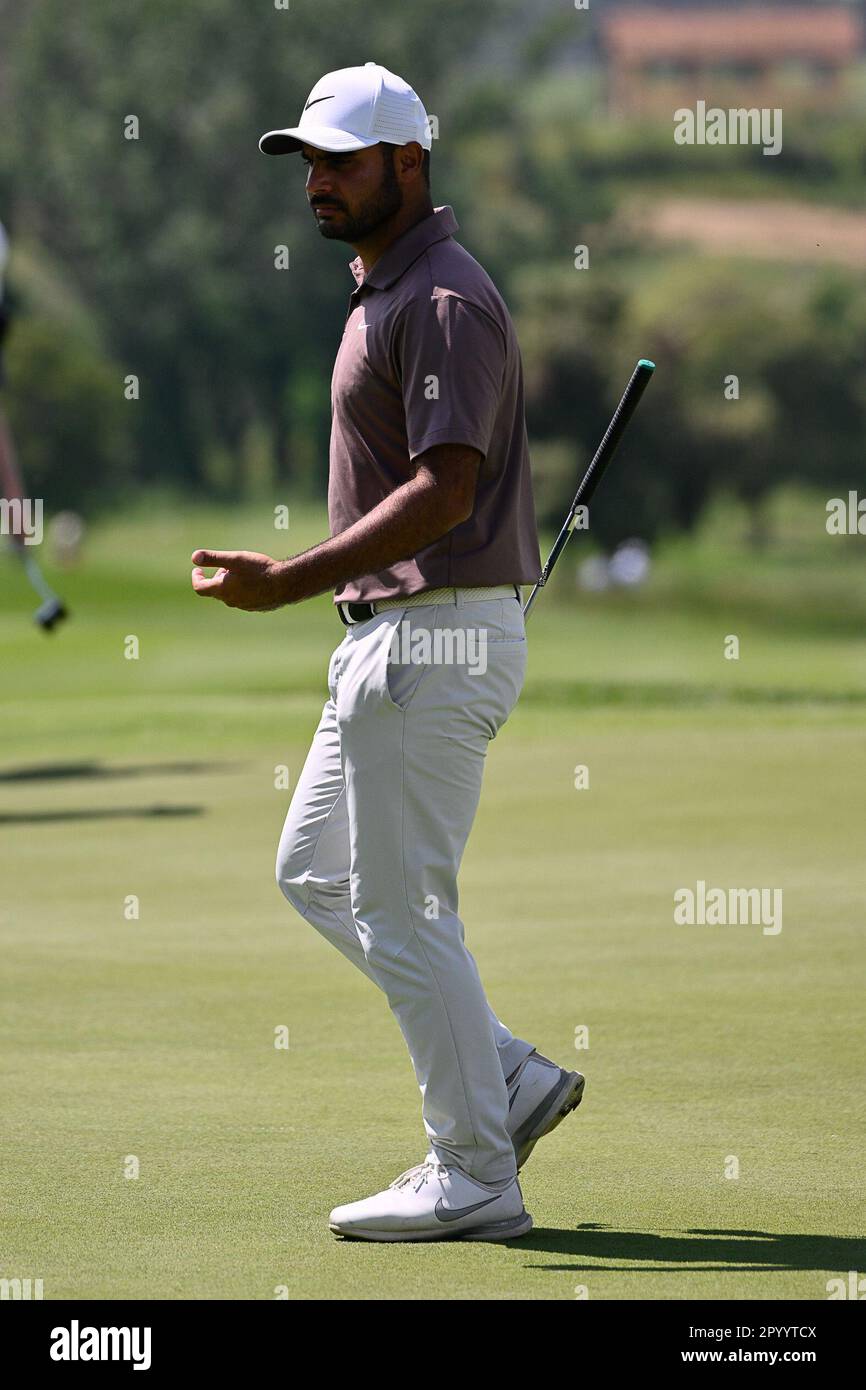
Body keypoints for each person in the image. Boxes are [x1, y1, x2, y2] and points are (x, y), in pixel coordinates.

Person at [191, 63, 584, 1242]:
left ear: (408, 164)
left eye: (339, 161)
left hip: (434, 634)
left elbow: (444, 492)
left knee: (406, 910)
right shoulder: (384, 286)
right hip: (394, 638)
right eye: (305, 162)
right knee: (314, 870)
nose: (314, 181)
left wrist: (288, 578)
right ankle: (502, 1076)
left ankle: (474, 1172)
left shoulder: (444, 299)